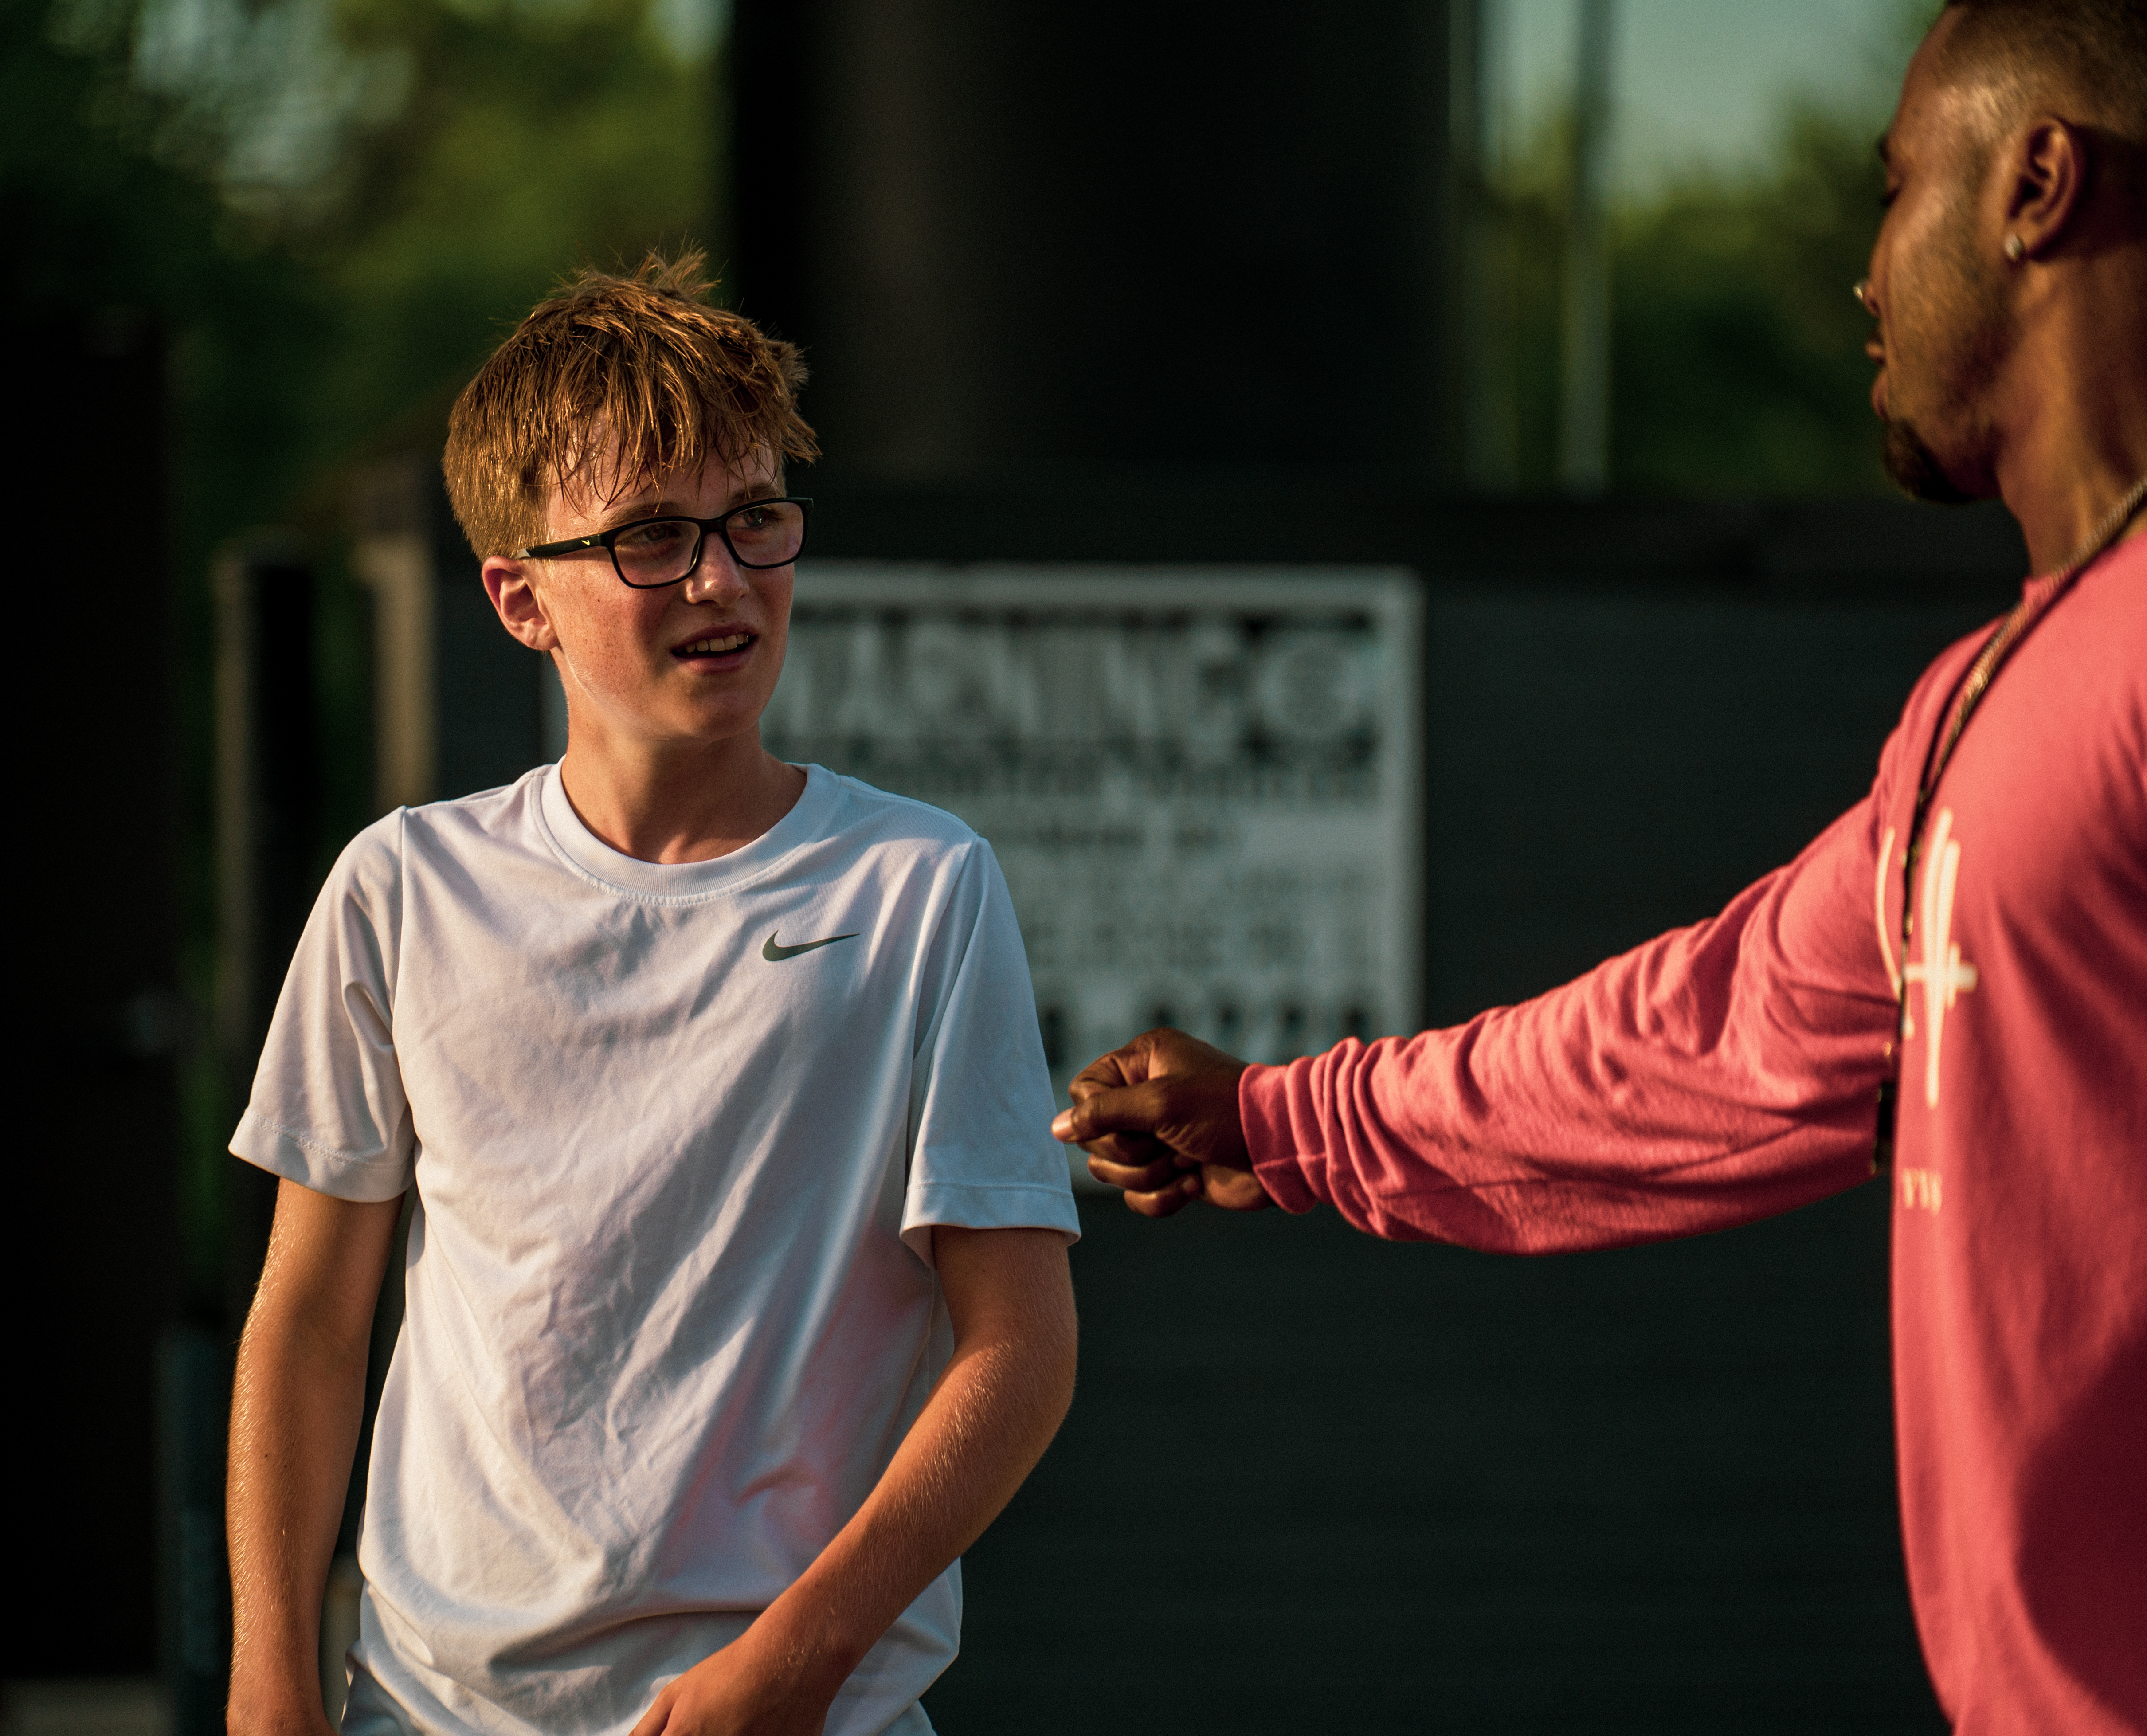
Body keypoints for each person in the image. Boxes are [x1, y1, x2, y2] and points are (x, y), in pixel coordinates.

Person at [1053, 2, 2147, 1730]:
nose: (1862, 277)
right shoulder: (1973, 709)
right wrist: (1277, 1120)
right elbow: (1688, 1044)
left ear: (2031, 183)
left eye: (1893, 187)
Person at [222, 253, 1080, 1736]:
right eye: (652, 536)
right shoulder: (401, 889)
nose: (721, 577)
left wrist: (796, 1662)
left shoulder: (921, 887)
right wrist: (267, 1678)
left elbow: (1021, 1349)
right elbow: (307, 1318)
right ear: (518, 597)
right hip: (426, 1710)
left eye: (755, 519)